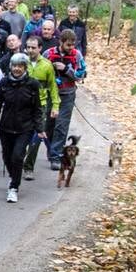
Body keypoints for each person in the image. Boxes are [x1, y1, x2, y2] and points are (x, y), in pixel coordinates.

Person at [0, 54, 45, 203]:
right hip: (6, 128)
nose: (16, 69)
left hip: (25, 128)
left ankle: (14, 187)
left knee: (17, 156)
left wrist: (40, 129)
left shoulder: (32, 84)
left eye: (20, 66)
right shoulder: (4, 83)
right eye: (14, 66)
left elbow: (37, 109)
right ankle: (13, 175)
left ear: (25, 67)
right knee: (7, 157)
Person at [44, 29, 87, 170]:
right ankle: (51, 150)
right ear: (61, 42)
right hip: (51, 94)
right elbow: (40, 71)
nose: (71, 48)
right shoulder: (49, 54)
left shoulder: (77, 55)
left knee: (61, 126)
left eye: (73, 45)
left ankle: (56, 156)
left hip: (67, 93)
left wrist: (67, 69)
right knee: (49, 124)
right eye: (68, 45)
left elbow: (81, 74)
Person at [23, 36, 61, 181]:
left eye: (33, 47)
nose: (30, 50)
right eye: (28, 47)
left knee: (37, 137)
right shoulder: (21, 62)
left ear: (40, 48)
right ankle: (18, 159)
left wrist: (55, 105)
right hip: (22, 106)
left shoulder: (46, 65)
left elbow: (53, 87)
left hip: (41, 106)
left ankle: (28, 167)